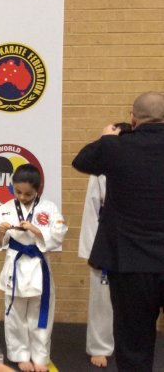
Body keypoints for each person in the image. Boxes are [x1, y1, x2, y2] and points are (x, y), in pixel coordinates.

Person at [72, 91, 164, 371]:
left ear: (133, 118)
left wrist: (108, 138)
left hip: (130, 264)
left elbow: (81, 161)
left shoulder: (117, 147)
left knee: (134, 345)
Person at [0, 164, 68, 372]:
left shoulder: (49, 208)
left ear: (38, 189)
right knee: (15, 314)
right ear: (12, 187)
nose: (22, 197)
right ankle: (20, 354)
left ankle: (40, 356)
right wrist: (1, 231)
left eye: (28, 193)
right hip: (15, 265)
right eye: (17, 192)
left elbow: (59, 233)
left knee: (41, 312)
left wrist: (36, 230)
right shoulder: (5, 209)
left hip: (39, 265)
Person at [77, 122, 132, 368]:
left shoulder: (143, 163)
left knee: (135, 299)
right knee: (102, 297)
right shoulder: (101, 169)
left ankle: (128, 343)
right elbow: (92, 208)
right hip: (107, 237)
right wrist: (92, 249)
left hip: (137, 238)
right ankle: (100, 346)